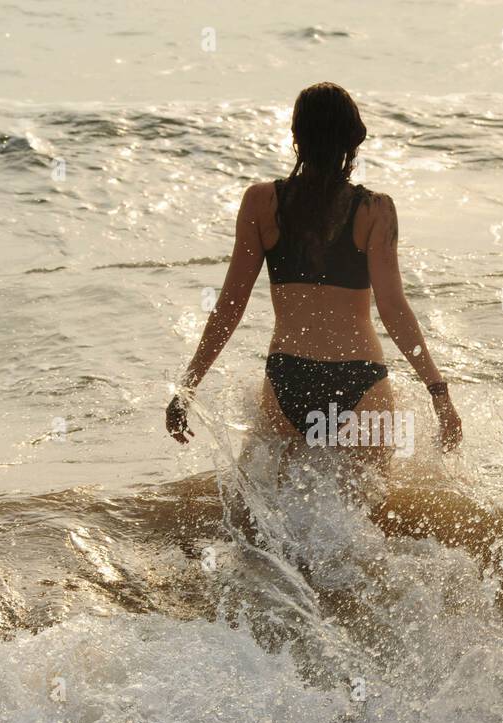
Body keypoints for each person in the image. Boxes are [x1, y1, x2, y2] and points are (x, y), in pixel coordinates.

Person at [166, 82, 461, 471]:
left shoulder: (261, 202)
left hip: (288, 376)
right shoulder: (375, 211)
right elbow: (393, 309)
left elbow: (230, 305)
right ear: (353, 141)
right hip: (360, 378)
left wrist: (187, 388)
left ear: (296, 138)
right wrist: (438, 392)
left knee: (268, 517)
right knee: (368, 517)